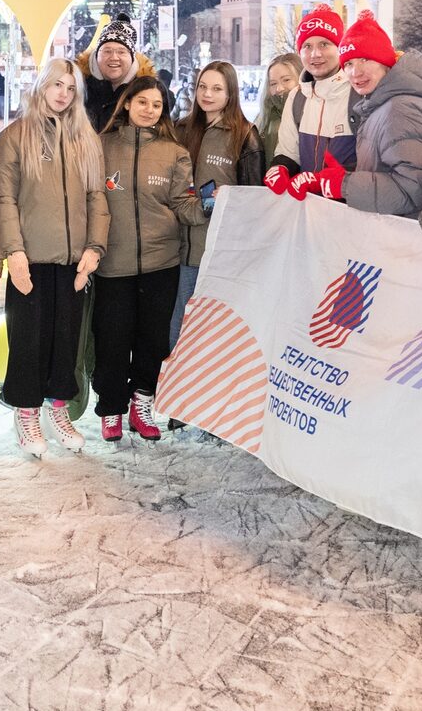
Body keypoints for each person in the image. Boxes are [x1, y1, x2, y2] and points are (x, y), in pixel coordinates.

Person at [0, 59, 108, 457]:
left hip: (73, 260)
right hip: (32, 258)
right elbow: (3, 198)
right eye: (57, 84)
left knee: (66, 340)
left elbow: (97, 198)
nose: (63, 94)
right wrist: (14, 251)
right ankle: (26, 412)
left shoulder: (85, 139)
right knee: (28, 340)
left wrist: (94, 248)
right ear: (42, 85)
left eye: (71, 88)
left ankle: (57, 409)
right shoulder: (16, 135)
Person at [92, 76, 208, 443]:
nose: (149, 110)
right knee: (112, 340)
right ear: (127, 103)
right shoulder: (101, 146)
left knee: (152, 341)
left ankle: (142, 404)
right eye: (142, 102)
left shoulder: (174, 153)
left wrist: (209, 206)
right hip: (113, 263)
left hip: (161, 264)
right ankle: (111, 408)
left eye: (157, 105)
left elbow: (183, 204)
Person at [293, 11, 422, 219]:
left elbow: (414, 189)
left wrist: (345, 184)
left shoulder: (400, 109)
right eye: (348, 63)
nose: (355, 72)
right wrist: (338, 175)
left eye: (365, 59)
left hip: (406, 231)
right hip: (394, 227)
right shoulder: (381, 105)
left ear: (385, 61)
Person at [171, 61, 263, 343]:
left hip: (216, 253)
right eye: (202, 86)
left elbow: (253, 200)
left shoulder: (244, 135)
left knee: (211, 335)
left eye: (216, 88)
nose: (207, 94)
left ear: (230, 93)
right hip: (176, 250)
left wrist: (228, 199)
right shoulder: (181, 129)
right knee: (178, 330)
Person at [265, 5, 355, 196]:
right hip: (308, 206)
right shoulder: (297, 97)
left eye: (324, 44)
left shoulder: (358, 94)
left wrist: (327, 181)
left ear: (339, 47)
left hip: (349, 207)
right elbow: (288, 152)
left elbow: (374, 164)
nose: (315, 54)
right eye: (307, 46)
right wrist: (280, 168)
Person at [77, 14, 167, 132]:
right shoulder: (78, 86)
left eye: (121, 52)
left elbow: (162, 130)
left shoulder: (148, 90)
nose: (114, 57)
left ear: (132, 58)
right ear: (96, 55)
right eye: (107, 51)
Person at [256, 52, 303, 163]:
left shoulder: (312, 114)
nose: (279, 88)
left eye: (286, 80)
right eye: (273, 83)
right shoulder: (265, 117)